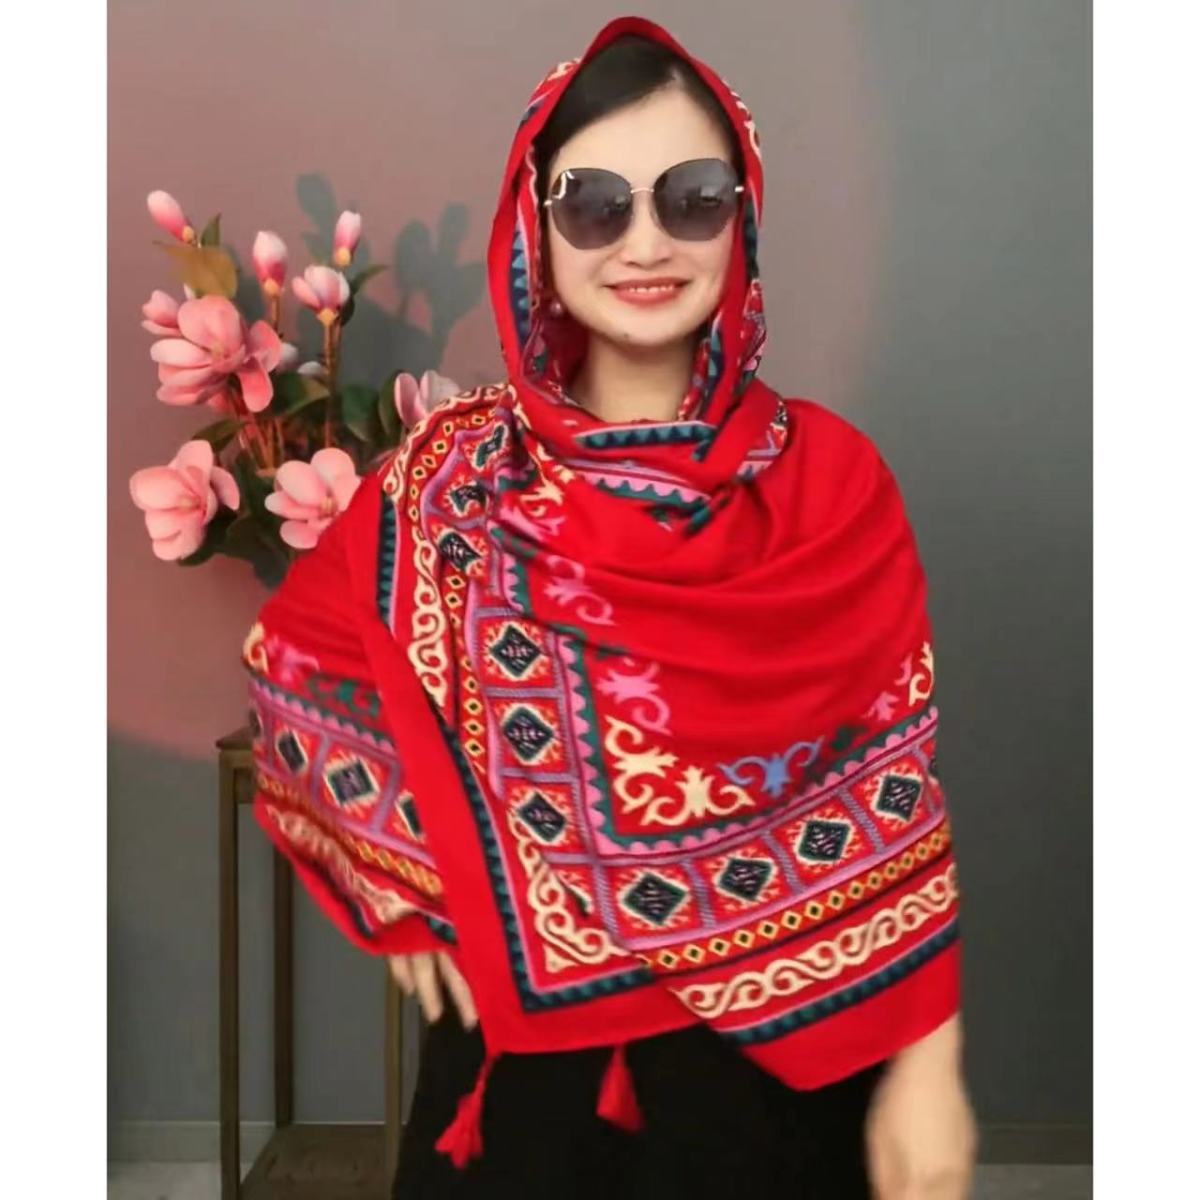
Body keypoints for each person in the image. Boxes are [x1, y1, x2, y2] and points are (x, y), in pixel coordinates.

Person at [241, 15, 976, 1200]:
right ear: (535, 226)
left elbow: (896, 797)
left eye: (693, 198)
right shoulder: (452, 479)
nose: (645, 242)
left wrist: (929, 1072)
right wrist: (407, 875)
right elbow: (296, 660)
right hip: (528, 1088)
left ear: (742, 218)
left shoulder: (832, 485)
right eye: (593, 203)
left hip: (779, 1082)